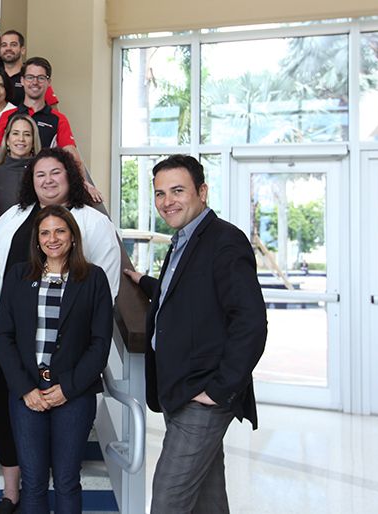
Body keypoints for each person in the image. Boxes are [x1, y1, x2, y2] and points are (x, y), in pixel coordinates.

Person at [0, 148, 119, 514]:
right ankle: (12, 495)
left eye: (60, 231)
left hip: (72, 383)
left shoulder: (94, 256)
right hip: (24, 379)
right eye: (40, 175)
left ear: (73, 236)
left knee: (67, 480)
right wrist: (26, 386)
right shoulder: (15, 245)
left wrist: (68, 387)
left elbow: (101, 332)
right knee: (34, 480)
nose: (52, 238)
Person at [121, 155, 266, 514]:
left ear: (202, 192)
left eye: (177, 190)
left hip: (203, 395)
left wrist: (219, 389)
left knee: (168, 498)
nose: (167, 201)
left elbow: (251, 322)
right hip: (180, 390)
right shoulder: (183, 239)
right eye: (159, 193)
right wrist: (142, 280)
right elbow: (182, 293)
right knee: (208, 499)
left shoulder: (225, 241)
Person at [0, 57, 104, 205]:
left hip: (44, 188)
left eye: (41, 78)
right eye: (30, 77)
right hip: (12, 184)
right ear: (22, 80)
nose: (35, 82)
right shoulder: (7, 116)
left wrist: (85, 183)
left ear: (49, 82)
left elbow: (73, 156)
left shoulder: (58, 119)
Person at [0, 113, 40, 220]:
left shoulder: (42, 174)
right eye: (15, 133)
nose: (21, 139)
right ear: (7, 140)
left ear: (33, 142)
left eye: (27, 134)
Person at [0, 30, 59, 107]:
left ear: (23, 50)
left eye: (13, 45)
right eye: (4, 45)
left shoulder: (35, 76)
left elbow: (53, 110)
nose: (8, 48)